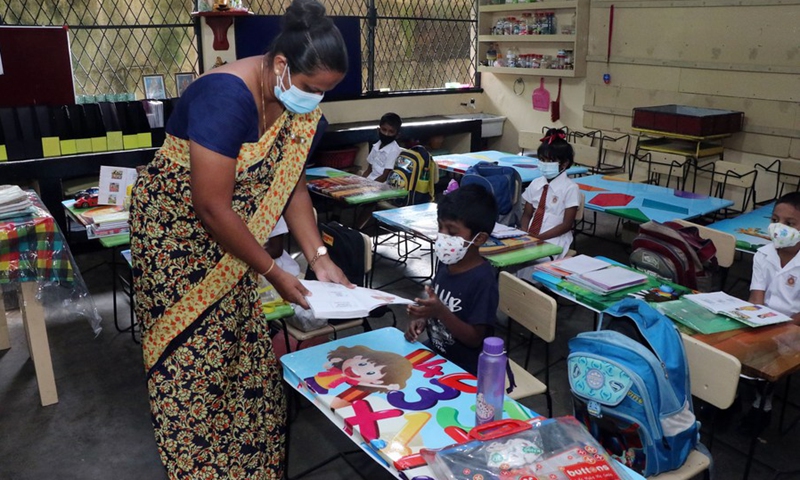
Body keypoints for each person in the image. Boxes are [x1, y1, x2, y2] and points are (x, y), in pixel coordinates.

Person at [128, 0, 351, 477]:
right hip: (177, 243)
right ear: (280, 65)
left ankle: (251, 464)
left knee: (240, 347)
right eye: (312, 89)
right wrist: (272, 271)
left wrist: (319, 257)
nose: (316, 101)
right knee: (190, 361)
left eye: (326, 93)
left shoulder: (298, 108)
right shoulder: (224, 97)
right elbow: (211, 205)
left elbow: (290, 181)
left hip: (233, 240)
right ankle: (201, 467)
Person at [404, 184, 499, 374]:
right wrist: (423, 317)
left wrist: (440, 312)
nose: (442, 237)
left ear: (479, 239)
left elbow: (474, 339)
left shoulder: (483, 280)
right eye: (440, 227)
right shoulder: (446, 263)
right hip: (436, 353)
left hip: (463, 368)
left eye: (452, 232)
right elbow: (436, 302)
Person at [741, 191, 800, 435]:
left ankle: (762, 402)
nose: (779, 228)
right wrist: (756, 322)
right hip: (765, 319)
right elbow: (756, 296)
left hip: (794, 326)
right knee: (732, 342)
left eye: (790, 224)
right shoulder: (764, 254)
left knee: (772, 351)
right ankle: (726, 397)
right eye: (775, 220)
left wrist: (778, 331)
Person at [516, 128, 580, 281]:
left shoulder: (570, 188)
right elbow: (527, 214)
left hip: (554, 236)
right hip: (531, 234)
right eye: (542, 160)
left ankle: (535, 294)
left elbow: (566, 225)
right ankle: (516, 292)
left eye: (550, 161)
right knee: (512, 259)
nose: (544, 164)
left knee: (539, 261)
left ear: (564, 164)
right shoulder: (536, 183)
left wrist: (539, 237)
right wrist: (525, 232)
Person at [362, 112, 403, 182]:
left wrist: (369, 186)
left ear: (397, 135)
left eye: (391, 132)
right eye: (384, 130)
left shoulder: (394, 150)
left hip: (381, 186)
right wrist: (359, 182)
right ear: (378, 130)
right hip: (370, 182)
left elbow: (385, 176)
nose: (386, 134)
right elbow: (369, 170)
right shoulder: (375, 146)